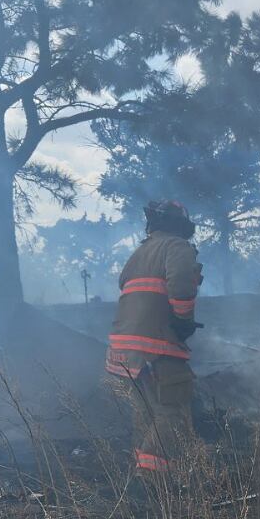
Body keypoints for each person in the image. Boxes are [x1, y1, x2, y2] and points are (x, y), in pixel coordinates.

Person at [106, 200, 202, 477]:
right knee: (173, 414)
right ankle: (147, 480)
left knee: (145, 416)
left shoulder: (139, 253)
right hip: (157, 348)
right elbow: (182, 285)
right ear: (182, 226)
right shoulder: (177, 247)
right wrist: (183, 321)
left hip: (124, 352)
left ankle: (148, 481)